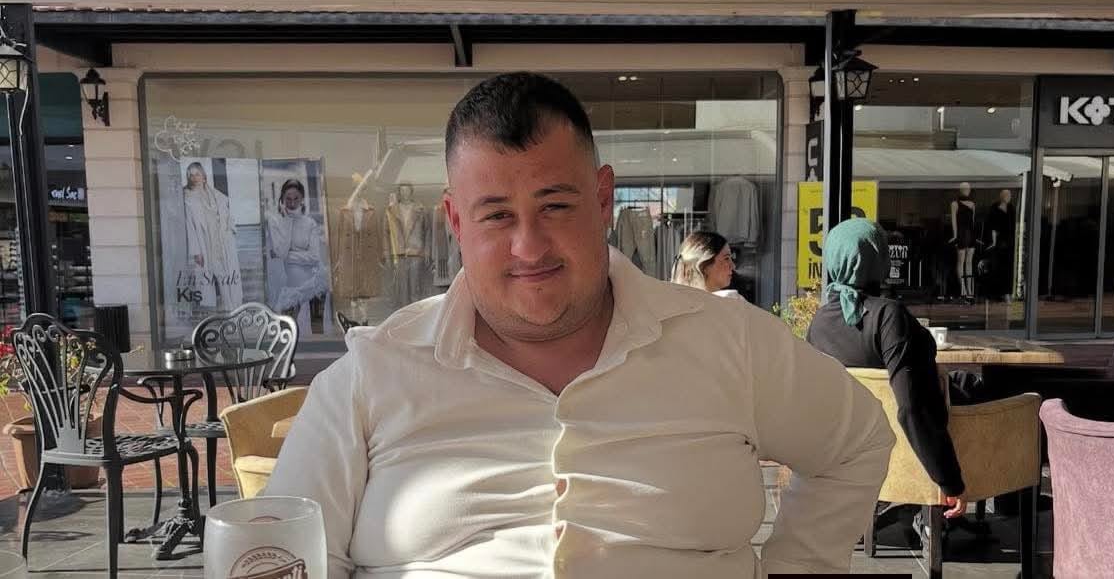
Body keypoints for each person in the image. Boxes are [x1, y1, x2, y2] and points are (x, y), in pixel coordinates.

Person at [268, 72, 893, 578]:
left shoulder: (728, 339)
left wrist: (799, 567)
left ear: (602, 200)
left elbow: (856, 441)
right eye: (496, 216)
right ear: (456, 222)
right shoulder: (371, 375)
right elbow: (280, 552)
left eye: (555, 206)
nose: (529, 247)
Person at [806, 218, 967, 529]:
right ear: (877, 259)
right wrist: (950, 481)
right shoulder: (888, 316)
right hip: (910, 448)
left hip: (854, 454)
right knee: (1000, 390)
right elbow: (912, 408)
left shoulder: (820, 322)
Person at [267, 178, 330, 336]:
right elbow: (281, 251)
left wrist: (287, 256)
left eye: (296, 198)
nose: (292, 203)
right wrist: (288, 220)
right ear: (282, 199)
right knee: (286, 332)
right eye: (288, 199)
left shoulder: (310, 223)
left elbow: (314, 257)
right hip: (291, 286)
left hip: (314, 281)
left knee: (317, 330)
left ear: (302, 199)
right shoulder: (275, 222)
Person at [182, 161, 242, 310]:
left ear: (203, 176)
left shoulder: (217, 195)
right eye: (191, 175)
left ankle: (233, 307)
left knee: (229, 274)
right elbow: (190, 227)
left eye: (197, 174)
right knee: (220, 275)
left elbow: (227, 215)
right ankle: (229, 308)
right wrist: (196, 251)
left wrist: (230, 230)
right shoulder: (188, 200)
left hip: (222, 240)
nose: (194, 178)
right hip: (206, 242)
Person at [670, 230, 740, 298]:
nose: (733, 266)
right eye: (726, 258)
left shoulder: (675, 300)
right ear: (704, 265)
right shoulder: (731, 299)